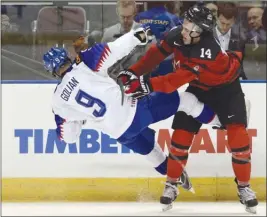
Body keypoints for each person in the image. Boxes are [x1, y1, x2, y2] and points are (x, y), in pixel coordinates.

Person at [43, 25, 224, 194]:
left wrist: (80, 119)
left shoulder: (58, 102)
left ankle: (175, 183)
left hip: (121, 133)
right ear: (67, 57)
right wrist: (139, 35)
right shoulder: (85, 62)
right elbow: (115, 49)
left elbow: (69, 138)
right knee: (185, 100)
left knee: (152, 153)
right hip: (136, 111)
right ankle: (220, 122)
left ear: (52, 72)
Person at [117, 5, 257, 214]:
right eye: (184, 24)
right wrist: (133, 72)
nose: (183, 30)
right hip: (200, 86)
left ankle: (244, 187)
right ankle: (172, 184)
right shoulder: (181, 35)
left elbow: (174, 81)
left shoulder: (208, 51)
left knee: (239, 141)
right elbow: (156, 54)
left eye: (189, 27)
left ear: (200, 31)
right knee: (180, 137)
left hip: (228, 91)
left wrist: (146, 84)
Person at [214, 2, 247, 80]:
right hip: (210, 78)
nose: (225, 27)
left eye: (228, 24)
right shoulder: (206, 36)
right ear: (217, 18)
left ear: (234, 21)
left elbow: (241, 64)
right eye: (222, 23)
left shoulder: (241, 39)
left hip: (232, 79)